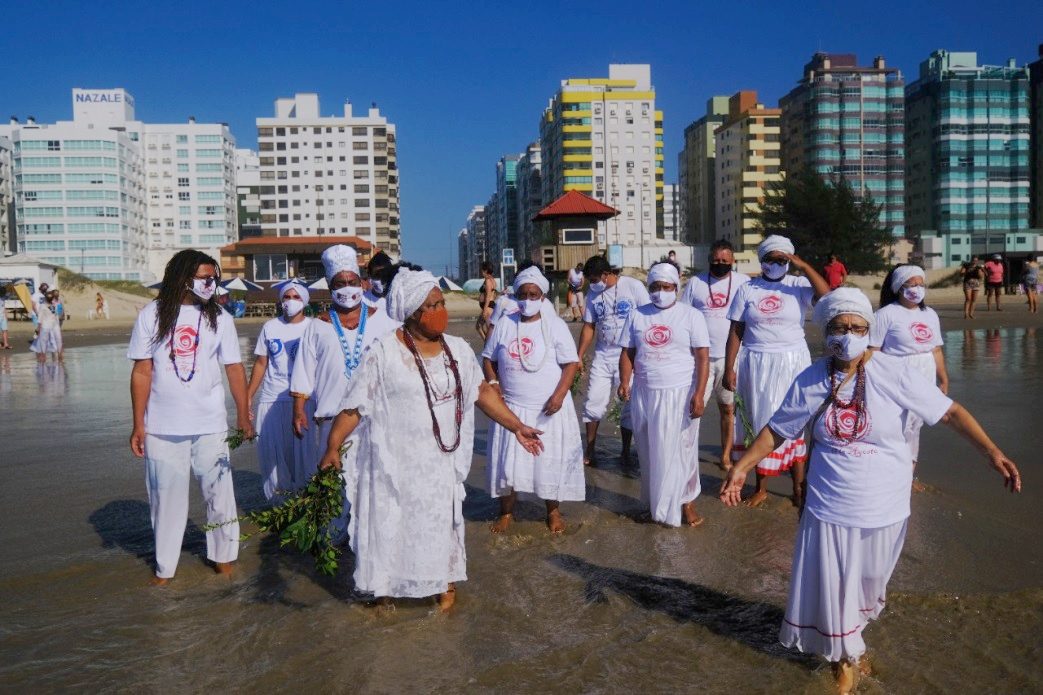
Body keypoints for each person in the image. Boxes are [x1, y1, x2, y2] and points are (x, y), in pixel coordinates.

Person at [720, 288, 1021, 693]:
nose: (848, 335)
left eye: (858, 327)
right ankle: (843, 663)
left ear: (869, 329)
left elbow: (948, 411)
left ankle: (853, 644)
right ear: (825, 332)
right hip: (830, 503)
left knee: (868, 585)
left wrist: (992, 451)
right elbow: (777, 430)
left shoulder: (894, 371)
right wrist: (741, 467)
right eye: (839, 327)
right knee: (837, 585)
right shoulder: (812, 377)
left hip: (886, 504)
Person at [319, 266, 544, 611]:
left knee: (439, 526)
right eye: (433, 306)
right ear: (411, 313)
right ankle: (385, 596)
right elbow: (354, 407)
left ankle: (444, 589)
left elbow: (481, 392)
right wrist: (333, 447)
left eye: (442, 304)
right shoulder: (383, 353)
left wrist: (517, 426)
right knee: (391, 526)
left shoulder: (457, 349)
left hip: (438, 465)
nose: (442, 312)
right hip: (393, 465)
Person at [127, 249, 252, 585]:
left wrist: (244, 413)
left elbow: (234, 368)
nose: (211, 284)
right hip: (162, 428)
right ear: (183, 278)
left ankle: (224, 559)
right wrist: (138, 423)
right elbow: (142, 371)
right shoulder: (152, 315)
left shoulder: (221, 318)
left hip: (210, 424)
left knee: (220, 497)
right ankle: (165, 569)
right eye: (204, 278)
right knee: (165, 502)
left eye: (214, 278)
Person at [724, 234, 830, 507]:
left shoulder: (798, 284)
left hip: (793, 361)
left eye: (782, 259)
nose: (776, 264)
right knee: (761, 421)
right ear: (762, 261)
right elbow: (736, 330)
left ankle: (798, 486)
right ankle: (761, 487)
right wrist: (729, 368)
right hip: (756, 362)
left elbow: (827, 296)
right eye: (771, 259)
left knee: (794, 421)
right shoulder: (748, 289)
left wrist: (803, 265)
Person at [290, 245, 399, 493]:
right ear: (330, 287)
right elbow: (304, 373)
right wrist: (298, 410)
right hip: (330, 420)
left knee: (376, 490)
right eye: (339, 284)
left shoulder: (386, 321)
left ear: (362, 283)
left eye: (352, 281)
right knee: (334, 491)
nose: (347, 288)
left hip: (377, 417)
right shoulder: (316, 327)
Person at [483, 265, 583, 534]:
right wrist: (493, 384)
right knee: (508, 464)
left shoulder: (555, 326)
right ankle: (506, 512)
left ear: (542, 297)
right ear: (515, 295)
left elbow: (571, 363)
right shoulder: (505, 323)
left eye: (533, 294)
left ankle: (553, 511)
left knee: (548, 462)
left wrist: (560, 395)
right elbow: (488, 358)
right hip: (511, 408)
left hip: (547, 409)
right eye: (522, 294)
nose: (527, 299)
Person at [618, 262, 710, 527]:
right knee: (649, 451)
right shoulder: (637, 315)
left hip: (680, 393)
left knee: (682, 450)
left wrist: (700, 394)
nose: (660, 292)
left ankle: (685, 503)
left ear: (676, 288)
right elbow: (628, 352)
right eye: (655, 287)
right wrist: (625, 380)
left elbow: (702, 357)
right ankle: (652, 504)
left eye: (666, 287)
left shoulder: (691, 316)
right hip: (645, 393)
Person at [870, 265, 949, 487]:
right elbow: (873, 352)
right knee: (895, 425)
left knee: (915, 427)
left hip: (925, 374)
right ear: (898, 287)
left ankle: (908, 474)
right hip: (895, 374)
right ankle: (889, 471)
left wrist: (943, 378)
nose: (917, 289)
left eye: (920, 284)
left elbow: (935, 349)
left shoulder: (930, 314)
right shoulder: (885, 315)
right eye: (911, 284)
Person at [576, 255, 650, 468]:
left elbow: (647, 317)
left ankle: (626, 451)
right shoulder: (592, 295)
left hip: (628, 355)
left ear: (606, 274)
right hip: (603, 355)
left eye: (594, 279)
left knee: (627, 404)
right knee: (593, 402)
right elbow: (589, 327)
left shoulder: (633, 286)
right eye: (590, 280)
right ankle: (590, 448)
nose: (592, 283)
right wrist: (579, 355)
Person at [682, 239, 750, 468]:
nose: (720, 264)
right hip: (699, 358)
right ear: (709, 260)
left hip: (730, 358)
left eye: (725, 261)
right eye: (716, 260)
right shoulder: (695, 283)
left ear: (733, 261)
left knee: (728, 409)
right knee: (693, 407)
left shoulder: (744, 283)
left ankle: (725, 456)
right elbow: (684, 317)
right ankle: (686, 454)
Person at [247, 280, 312, 500]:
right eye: (286, 297)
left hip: (303, 401)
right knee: (275, 456)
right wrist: (247, 397)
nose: (291, 302)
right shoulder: (270, 327)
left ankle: (305, 506)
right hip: (271, 399)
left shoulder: (313, 327)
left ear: (304, 301)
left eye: (296, 297)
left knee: (304, 457)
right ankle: (280, 506)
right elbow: (261, 364)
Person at [30, 291, 63, 363]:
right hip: (46, 326)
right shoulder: (46, 306)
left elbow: (53, 316)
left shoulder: (51, 305)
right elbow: (40, 319)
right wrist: (37, 331)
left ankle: (57, 355)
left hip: (49, 326)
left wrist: (37, 330)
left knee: (46, 341)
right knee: (42, 340)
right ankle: (45, 355)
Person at [476, 261, 498, 340]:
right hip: (489, 306)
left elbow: (488, 295)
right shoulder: (491, 280)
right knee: (482, 327)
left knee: (483, 328)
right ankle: (488, 344)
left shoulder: (488, 281)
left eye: (481, 270)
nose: (480, 271)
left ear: (485, 270)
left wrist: (485, 309)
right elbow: (494, 294)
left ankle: (488, 345)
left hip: (488, 307)